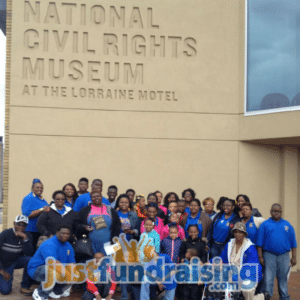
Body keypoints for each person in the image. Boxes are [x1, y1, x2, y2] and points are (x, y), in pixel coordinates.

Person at [257, 203, 297, 300]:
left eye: (278, 211)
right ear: (270, 212)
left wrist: (294, 257)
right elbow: (259, 243)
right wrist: (260, 257)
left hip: (284, 256)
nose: (276, 213)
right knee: (268, 278)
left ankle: (284, 297)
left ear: (281, 212)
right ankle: (267, 296)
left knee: (283, 278)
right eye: (274, 211)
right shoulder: (265, 225)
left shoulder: (287, 225)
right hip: (269, 255)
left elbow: (293, 243)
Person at [27, 225, 75, 300]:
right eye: (63, 233)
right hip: (37, 270)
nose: (65, 235)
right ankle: (40, 293)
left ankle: (55, 291)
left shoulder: (68, 245)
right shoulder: (49, 243)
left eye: (67, 234)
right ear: (57, 232)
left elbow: (72, 263)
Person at [218, 222, 262, 300]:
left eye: (240, 232)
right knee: (227, 294)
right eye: (236, 232)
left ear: (244, 234)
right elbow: (223, 258)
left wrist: (234, 278)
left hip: (249, 275)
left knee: (247, 289)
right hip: (233, 273)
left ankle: (260, 297)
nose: (237, 234)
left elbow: (249, 270)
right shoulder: (230, 244)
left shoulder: (250, 247)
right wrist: (212, 262)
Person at [75, 189, 121, 255]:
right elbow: (76, 224)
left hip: (108, 243)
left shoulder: (110, 210)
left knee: (108, 262)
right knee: (91, 263)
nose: (96, 198)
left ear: (102, 197)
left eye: (98, 196)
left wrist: (114, 239)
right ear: (91, 199)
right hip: (90, 244)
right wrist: (84, 227)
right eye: (93, 197)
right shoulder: (84, 210)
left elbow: (117, 225)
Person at [0, 215, 33, 296]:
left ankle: (24, 286)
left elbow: (29, 253)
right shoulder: (5, 233)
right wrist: (1, 270)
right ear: (14, 223)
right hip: (4, 264)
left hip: (16, 260)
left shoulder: (27, 235)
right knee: (5, 291)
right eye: (18, 224)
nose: (21, 227)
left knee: (30, 260)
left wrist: (25, 239)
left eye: (24, 225)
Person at [21, 179, 49, 249]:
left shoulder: (41, 198)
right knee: (31, 251)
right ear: (32, 188)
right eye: (37, 187)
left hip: (39, 230)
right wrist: (41, 209)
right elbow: (27, 214)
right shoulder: (29, 198)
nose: (40, 189)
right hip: (31, 231)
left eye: (41, 188)